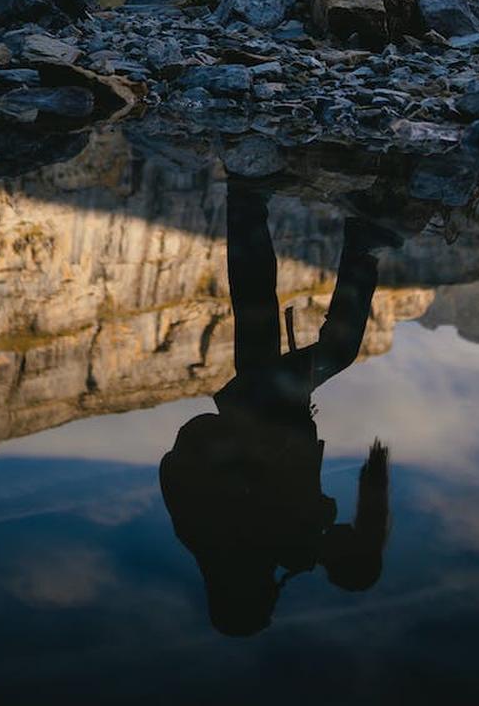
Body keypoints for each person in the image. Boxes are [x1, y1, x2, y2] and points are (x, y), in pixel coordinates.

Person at [159, 175, 392, 636]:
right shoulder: (206, 541)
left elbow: (333, 539)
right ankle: (246, 198)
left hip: (265, 411)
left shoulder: (257, 548)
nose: (273, 594)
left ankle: (362, 243)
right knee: (254, 304)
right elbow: (176, 466)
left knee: (336, 350)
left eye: (265, 602)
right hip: (251, 408)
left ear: (249, 597)